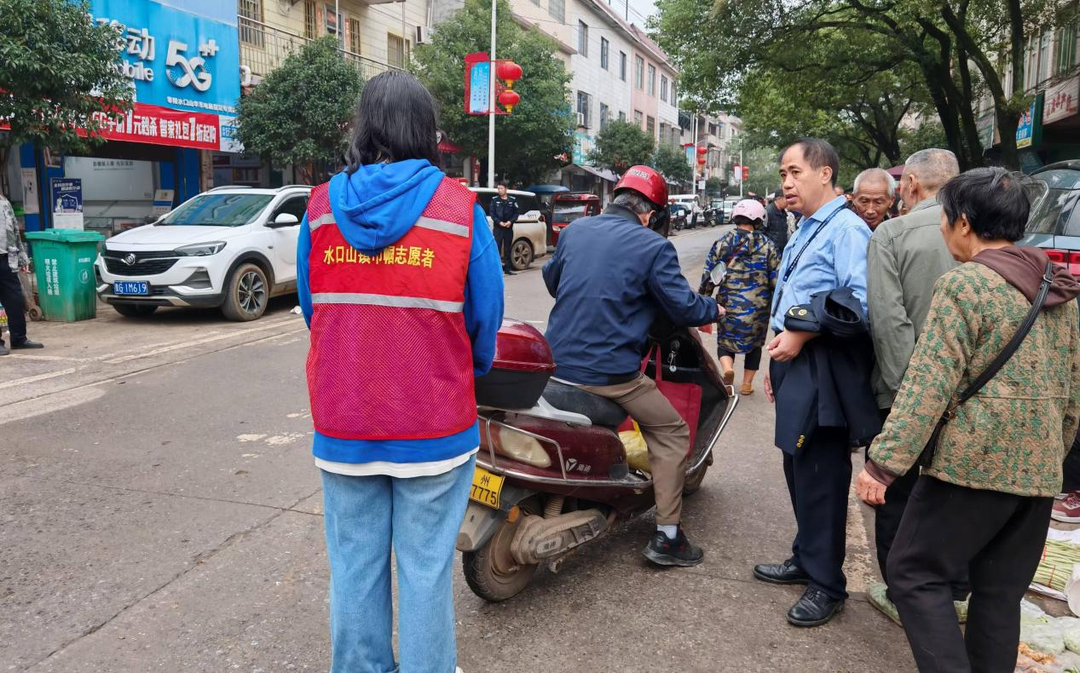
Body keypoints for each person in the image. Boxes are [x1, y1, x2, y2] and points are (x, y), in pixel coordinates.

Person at [296, 71, 504, 673]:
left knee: (354, 567)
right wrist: (465, 369)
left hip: (345, 420)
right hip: (434, 426)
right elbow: (484, 319)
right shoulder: (460, 210)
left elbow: (316, 311)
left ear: (365, 127)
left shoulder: (320, 209)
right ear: (426, 131)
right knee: (424, 570)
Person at [856, 167, 1080, 672]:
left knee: (913, 573)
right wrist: (1051, 457)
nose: (939, 227)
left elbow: (926, 386)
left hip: (971, 469)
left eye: (942, 217)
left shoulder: (965, 285)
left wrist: (883, 465)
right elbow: (1072, 394)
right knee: (998, 594)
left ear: (962, 222)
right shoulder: (1056, 288)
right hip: (1039, 474)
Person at [543, 165, 721, 567]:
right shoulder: (653, 247)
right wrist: (716, 307)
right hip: (610, 377)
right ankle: (668, 537)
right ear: (652, 214)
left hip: (555, 366)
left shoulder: (574, 233)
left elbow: (554, 281)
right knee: (673, 431)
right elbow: (683, 306)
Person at [753, 138, 877, 628]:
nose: (786, 182)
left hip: (823, 365)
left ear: (824, 174)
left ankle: (828, 584)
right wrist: (779, 361)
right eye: (783, 173)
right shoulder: (807, 225)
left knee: (822, 474)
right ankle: (806, 556)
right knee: (797, 465)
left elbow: (859, 302)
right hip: (796, 361)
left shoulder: (846, 229)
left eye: (794, 171)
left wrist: (801, 336)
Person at [863, 148, 962, 623]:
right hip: (971, 395)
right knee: (954, 491)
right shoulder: (982, 235)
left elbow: (889, 320)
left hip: (909, 388)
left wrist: (908, 395)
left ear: (911, 185)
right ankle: (956, 589)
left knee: (895, 491)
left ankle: (901, 593)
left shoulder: (893, 233)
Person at [699, 199, 779, 396]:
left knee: (725, 341)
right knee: (755, 345)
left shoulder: (722, 242)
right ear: (759, 220)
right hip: (759, 306)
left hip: (728, 304)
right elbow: (777, 280)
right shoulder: (768, 245)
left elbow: (709, 276)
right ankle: (746, 384)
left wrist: (704, 299)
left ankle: (727, 369)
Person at [0, 187, 42, 356]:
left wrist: (21, 257)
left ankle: (19, 338)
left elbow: (15, 231)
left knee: (14, 299)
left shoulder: (4, 203)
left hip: (6, 259)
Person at [488, 183, 518, 275]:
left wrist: (510, 221)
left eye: (501, 188)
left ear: (506, 189)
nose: (499, 190)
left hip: (508, 228)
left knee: (507, 248)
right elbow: (492, 214)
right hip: (498, 228)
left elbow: (516, 214)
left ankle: (508, 268)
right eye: (498, 188)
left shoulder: (512, 200)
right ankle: (496, 269)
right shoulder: (494, 200)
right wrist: (499, 222)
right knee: (497, 248)